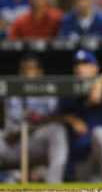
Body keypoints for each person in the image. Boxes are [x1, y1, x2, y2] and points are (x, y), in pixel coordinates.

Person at [55, 50, 102, 183]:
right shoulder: (69, 91)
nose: (80, 68)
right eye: (77, 65)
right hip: (84, 156)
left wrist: (100, 82)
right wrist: (70, 119)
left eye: (85, 64)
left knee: (99, 134)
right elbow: (55, 115)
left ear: (95, 67)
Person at [0, 54, 68, 183]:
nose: (26, 73)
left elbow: (53, 118)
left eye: (30, 69)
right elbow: (10, 129)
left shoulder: (49, 92)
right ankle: (10, 176)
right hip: (14, 144)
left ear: (39, 72)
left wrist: (32, 125)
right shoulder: (12, 91)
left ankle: (54, 185)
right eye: (23, 69)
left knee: (57, 131)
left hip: (37, 142)